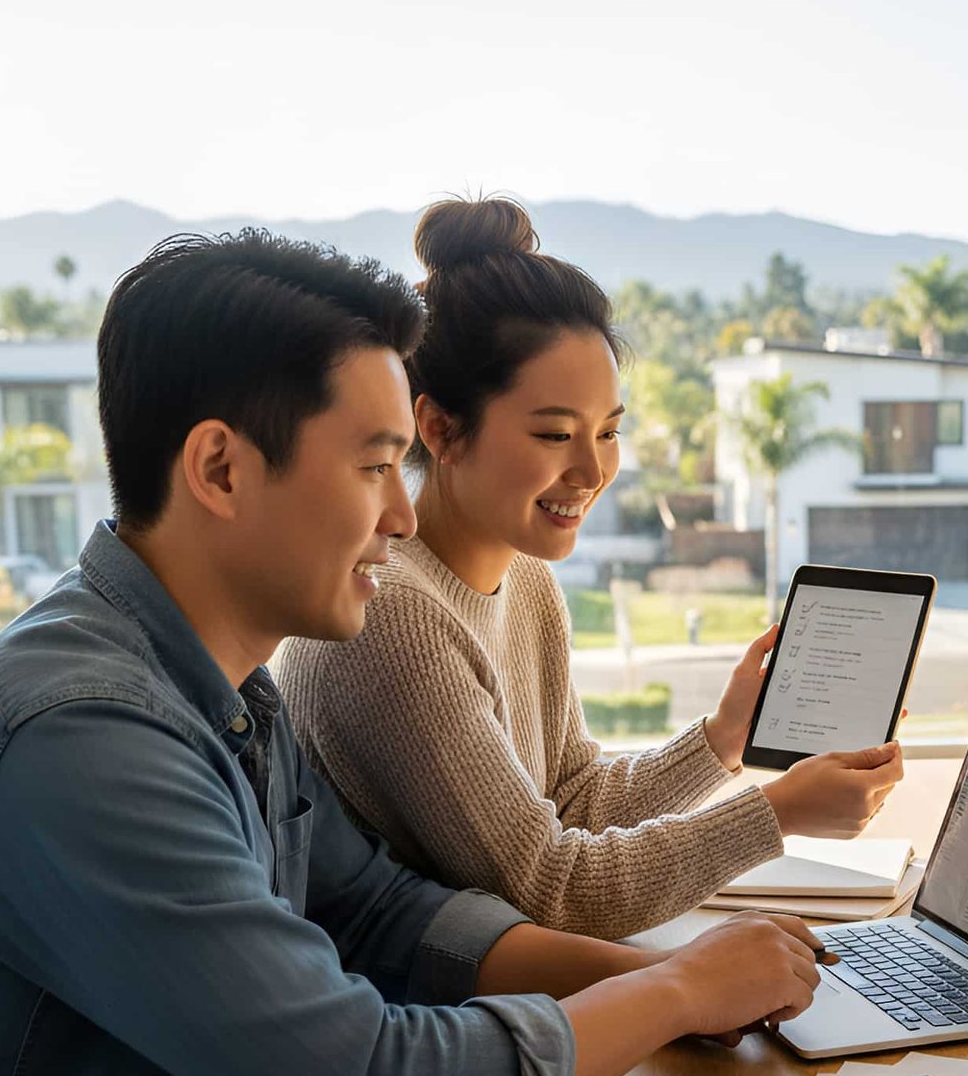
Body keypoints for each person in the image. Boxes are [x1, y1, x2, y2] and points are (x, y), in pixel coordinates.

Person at [0, 231, 823, 1076]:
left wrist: (681, 979)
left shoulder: (226, 695)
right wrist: (662, 1002)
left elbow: (388, 910)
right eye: (378, 463)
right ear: (220, 466)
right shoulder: (86, 743)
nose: (401, 508)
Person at [275, 196, 904, 953]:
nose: (593, 469)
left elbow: (570, 799)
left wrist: (723, 740)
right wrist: (775, 816)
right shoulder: (394, 616)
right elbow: (552, 889)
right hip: (412, 1031)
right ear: (439, 427)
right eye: (554, 433)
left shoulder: (526, 580)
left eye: (610, 431)